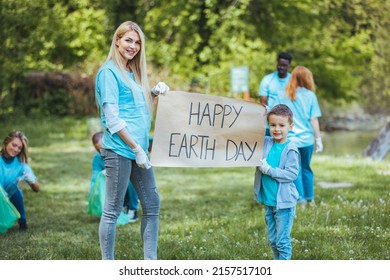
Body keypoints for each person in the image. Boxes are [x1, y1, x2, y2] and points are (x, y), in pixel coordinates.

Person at [95, 21, 169, 260]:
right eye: (128, 40)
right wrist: (137, 148)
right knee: (113, 210)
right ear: (117, 40)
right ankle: (108, 264)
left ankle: (150, 263)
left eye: (137, 42)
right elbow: (112, 118)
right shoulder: (108, 72)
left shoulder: (131, 72)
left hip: (138, 151)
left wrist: (153, 93)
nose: (133, 46)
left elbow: (133, 105)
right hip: (120, 150)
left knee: (152, 203)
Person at [254, 104, 300, 260]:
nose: (277, 129)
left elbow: (292, 174)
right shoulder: (266, 142)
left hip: (284, 204)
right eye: (273, 125)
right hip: (269, 201)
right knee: (273, 241)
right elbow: (251, 132)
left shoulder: (291, 149)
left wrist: (269, 170)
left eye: (281, 125)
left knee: (282, 242)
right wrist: (260, 114)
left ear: (291, 126)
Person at [277, 65, 323, 206]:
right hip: (307, 140)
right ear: (307, 79)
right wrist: (318, 139)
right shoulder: (310, 96)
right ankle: (311, 199)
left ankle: (300, 199)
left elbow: (277, 114)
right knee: (307, 168)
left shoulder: (284, 95)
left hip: (291, 141)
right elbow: (313, 119)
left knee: (295, 170)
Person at [89, 131, 139, 222]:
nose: (101, 151)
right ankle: (119, 206)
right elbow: (95, 178)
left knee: (130, 181)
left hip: (127, 181)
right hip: (111, 184)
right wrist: (92, 195)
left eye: (102, 147)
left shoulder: (120, 152)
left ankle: (132, 208)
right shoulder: (97, 158)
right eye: (97, 149)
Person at [0, 131, 40, 231]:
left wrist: (31, 180)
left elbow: (37, 189)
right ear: (6, 142)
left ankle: (23, 221)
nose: (16, 149)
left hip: (10, 195)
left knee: (16, 188)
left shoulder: (21, 164)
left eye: (19, 148)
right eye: (14, 145)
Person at [258, 52, 293, 135]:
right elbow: (263, 103)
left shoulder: (293, 81)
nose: (281, 67)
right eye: (279, 64)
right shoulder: (267, 80)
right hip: (270, 125)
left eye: (284, 65)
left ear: (289, 66)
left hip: (286, 124)